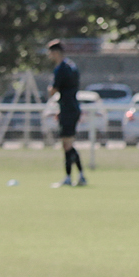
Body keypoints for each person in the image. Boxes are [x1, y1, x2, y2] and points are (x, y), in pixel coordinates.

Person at [47, 41, 86, 187]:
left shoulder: (61, 68)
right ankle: (79, 176)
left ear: (55, 52)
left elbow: (53, 90)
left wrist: (50, 89)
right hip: (72, 107)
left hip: (68, 109)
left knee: (67, 144)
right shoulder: (72, 66)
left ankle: (71, 177)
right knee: (68, 144)